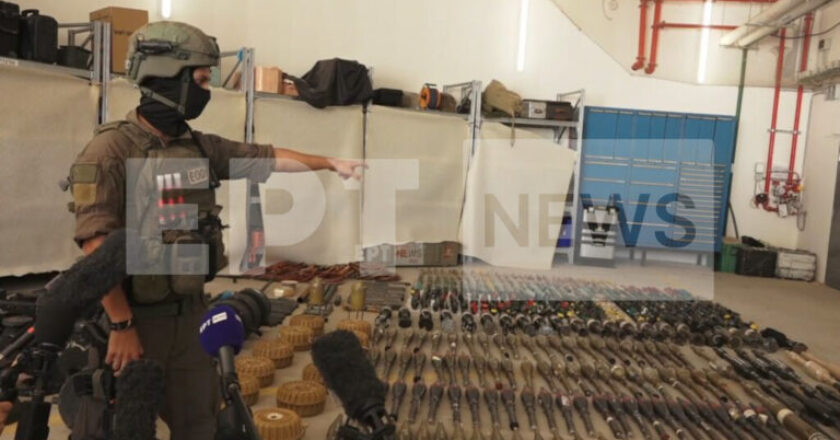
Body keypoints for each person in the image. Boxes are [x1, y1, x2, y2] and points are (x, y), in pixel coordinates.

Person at [68, 21, 363, 439]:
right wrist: (121, 324)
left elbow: (266, 157)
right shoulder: (109, 150)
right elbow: (96, 245)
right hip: (136, 321)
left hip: (191, 318)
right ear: (169, 74)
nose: (206, 91)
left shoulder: (200, 147)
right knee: (123, 429)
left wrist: (330, 163)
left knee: (200, 424)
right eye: (202, 80)